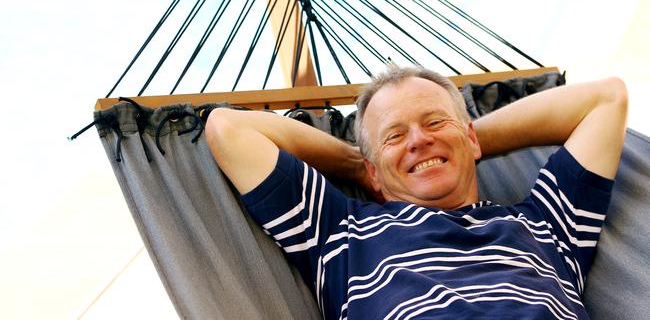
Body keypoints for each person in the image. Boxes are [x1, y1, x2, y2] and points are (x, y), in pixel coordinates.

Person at [205, 67, 627, 319]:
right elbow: (229, 129)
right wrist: (358, 163)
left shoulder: (547, 223)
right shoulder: (341, 234)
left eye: (433, 122)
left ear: (473, 139)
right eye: (395, 135)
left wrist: (461, 141)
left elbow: (606, 99)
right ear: (371, 171)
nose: (418, 140)